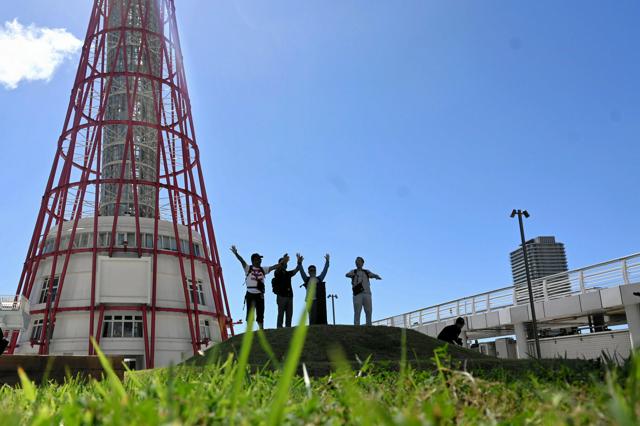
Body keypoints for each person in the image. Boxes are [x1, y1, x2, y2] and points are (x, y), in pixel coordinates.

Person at [231, 245, 288, 330]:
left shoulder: (263, 269)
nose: (260, 260)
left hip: (260, 295)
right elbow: (242, 261)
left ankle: (261, 329)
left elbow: (274, 267)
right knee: (250, 313)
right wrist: (236, 253)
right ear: (254, 260)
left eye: (260, 259)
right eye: (258, 259)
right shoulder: (248, 268)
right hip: (250, 294)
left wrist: (283, 261)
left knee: (260, 313)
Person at [346, 256, 382, 326]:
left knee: (368, 310)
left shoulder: (366, 271)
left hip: (367, 293)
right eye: (356, 261)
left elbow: (372, 275)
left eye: (359, 261)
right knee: (357, 311)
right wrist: (353, 274)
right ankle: (356, 325)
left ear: (362, 263)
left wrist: (376, 276)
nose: (357, 262)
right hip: (357, 293)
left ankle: (369, 325)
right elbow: (347, 275)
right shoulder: (354, 271)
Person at [272, 253, 302, 328]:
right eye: (283, 263)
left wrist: (299, 262)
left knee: (289, 315)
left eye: (285, 262)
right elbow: (278, 269)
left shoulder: (288, 274)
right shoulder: (277, 273)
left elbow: (296, 270)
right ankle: (279, 329)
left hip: (289, 296)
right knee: (281, 314)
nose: (285, 264)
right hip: (281, 296)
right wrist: (284, 261)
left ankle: (288, 329)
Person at [299, 254, 330, 325]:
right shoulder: (306, 279)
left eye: (313, 270)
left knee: (319, 315)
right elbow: (301, 271)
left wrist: (327, 262)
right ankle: (312, 328)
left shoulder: (319, 279)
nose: (312, 271)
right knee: (311, 317)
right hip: (309, 300)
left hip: (318, 300)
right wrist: (299, 263)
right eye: (311, 270)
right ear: (309, 272)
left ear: (315, 271)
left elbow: (325, 271)